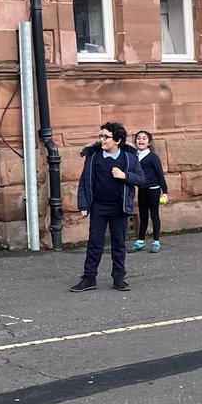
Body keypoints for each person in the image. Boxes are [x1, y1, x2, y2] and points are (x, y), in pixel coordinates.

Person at [70, 122, 145, 292]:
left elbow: (142, 179)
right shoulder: (94, 158)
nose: (101, 140)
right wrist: (83, 204)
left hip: (119, 207)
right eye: (100, 136)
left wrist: (125, 175)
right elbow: (84, 181)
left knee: (119, 243)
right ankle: (89, 278)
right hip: (99, 207)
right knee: (95, 243)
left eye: (105, 137)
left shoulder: (128, 158)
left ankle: (119, 277)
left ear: (117, 140)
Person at [132, 130, 169, 253]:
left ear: (149, 142)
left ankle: (156, 241)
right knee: (143, 215)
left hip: (153, 189)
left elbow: (160, 175)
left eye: (144, 138)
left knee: (154, 214)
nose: (141, 140)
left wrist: (165, 192)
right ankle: (140, 241)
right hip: (142, 189)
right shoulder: (134, 156)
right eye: (138, 138)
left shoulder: (153, 157)